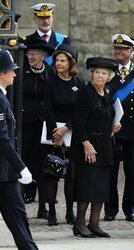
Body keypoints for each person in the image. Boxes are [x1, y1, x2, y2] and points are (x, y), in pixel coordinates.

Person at [70, 56, 121, 238]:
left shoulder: (106, 92)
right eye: (97, 72)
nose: (100, 76)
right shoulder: (86, 93)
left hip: (104, 147)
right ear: (92, 74)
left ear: (109, 77)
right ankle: (79, 223)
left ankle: (94, 223)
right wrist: (86, 144)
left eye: (104, 73)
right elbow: (77, 122)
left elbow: (106, 115)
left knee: (100, 188)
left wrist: (114, 125)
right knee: (86, 187)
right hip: (88, 148)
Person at [0, 49, 38, 250]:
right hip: (4, 171)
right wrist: (21, 167)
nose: (14, 74)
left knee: (18, 217)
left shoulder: (2, 95)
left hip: (6, 175)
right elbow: (3, 138)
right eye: (11, 70)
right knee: (18, 217)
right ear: (1, 74)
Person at [104, 34, 134, 222]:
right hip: (113, 129)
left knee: (131, 172)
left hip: (133, 129)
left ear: (131, 51)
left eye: (123, 49)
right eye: (116, 48)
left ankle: (131, 208)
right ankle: (110, 208)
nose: (119, 51)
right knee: (110, 171)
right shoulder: (108, 72)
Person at [44, 44, 82, 225]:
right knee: (52, 173)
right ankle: (51, 211)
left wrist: (66, 128)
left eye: (62, 60)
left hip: (72, 132)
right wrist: (56, 134)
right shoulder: (50, 81)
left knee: (71, 175)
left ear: (70, 62)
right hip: (53, 134)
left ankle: (69, 212)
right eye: (56, 60)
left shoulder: (79, 83)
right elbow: (47, 108)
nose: (58, 63)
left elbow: (81, 111)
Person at [21, 38, 55, 220]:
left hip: (43, 126)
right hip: (25, 124)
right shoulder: (21, 72)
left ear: (43, 55)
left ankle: (43, 207)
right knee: (23, 164)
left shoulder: (50, 73)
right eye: (29, 53)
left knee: (43, 167)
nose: (30, 57)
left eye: (34, 54)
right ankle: (19, 208)